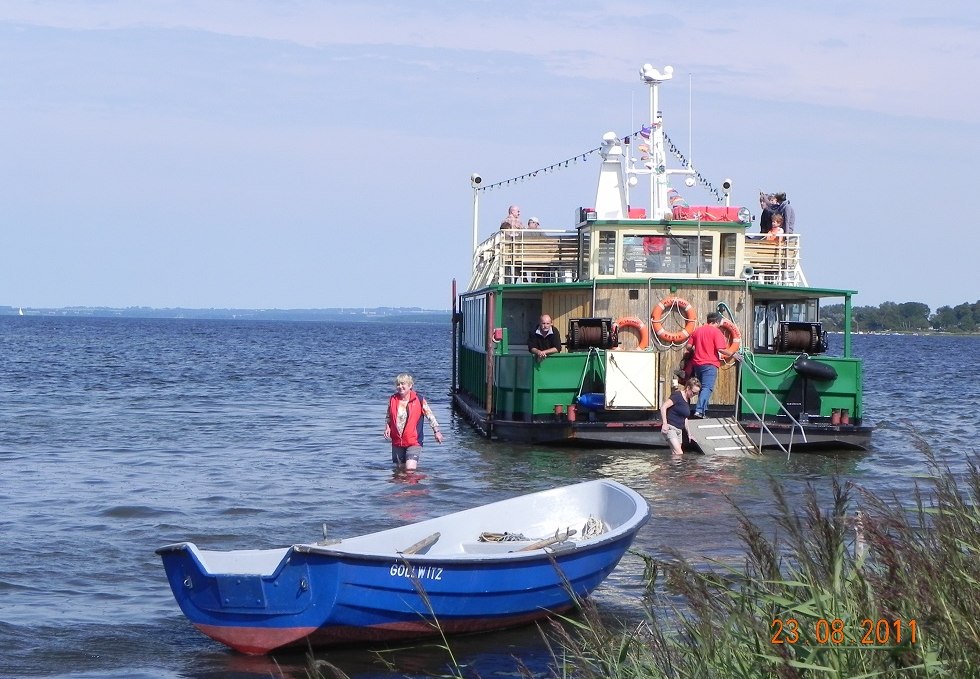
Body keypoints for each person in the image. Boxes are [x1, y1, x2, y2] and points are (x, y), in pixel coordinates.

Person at [683, 312, 741, 418]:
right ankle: (699, 411)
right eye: (719, 323)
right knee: (707, 388)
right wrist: (733, 354)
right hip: (710, 364)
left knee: (701, 387)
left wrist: (698, 348)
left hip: (697, 364)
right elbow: (721, 349)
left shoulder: (697, 331)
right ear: (717, 322)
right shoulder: (716, 332)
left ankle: (702, 412)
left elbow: (688, 346)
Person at [383, 373, 443, 471]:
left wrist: (436, 432)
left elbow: (430, 416)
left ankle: (415, 486)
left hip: (414, 441)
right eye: (398, 384)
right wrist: (387, 427)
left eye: (403, 384)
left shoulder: (419, 400)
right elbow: (388, 416)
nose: (400, 387)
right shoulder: (393, 399)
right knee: (400, 472)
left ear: (410, 385)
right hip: (397, 441)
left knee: (410, 470)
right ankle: (402, 486)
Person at [660, 377, 702, 455]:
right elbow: (663, 407)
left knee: (675, 454)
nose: (694, 395)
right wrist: (664, 424)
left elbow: (685, 417)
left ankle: (666, 466)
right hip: (670, 428)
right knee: (679, 453)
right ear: (688, 388)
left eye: (697, 393)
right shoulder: (677, 395)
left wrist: (689, 434)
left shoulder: (687, 399)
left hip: (679, 431)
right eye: (693, 392)